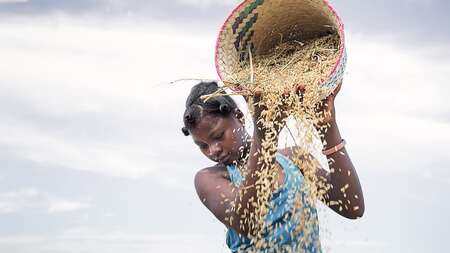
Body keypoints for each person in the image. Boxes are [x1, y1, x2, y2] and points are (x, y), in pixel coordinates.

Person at [181, 81, 364, 252]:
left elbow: (352, 206)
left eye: (219, 136)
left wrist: (327, 126)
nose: (214, 150)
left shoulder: (294, 158)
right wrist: (265, 137)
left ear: (239, 117)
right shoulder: (210, 179)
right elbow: (248, 223)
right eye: (202, 145)